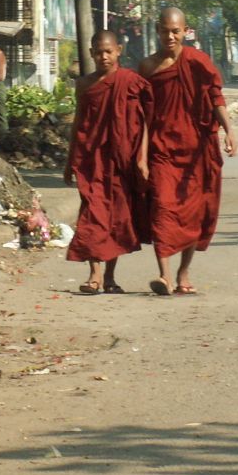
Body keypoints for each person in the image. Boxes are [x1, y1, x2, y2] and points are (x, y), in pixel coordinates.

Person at [138, 7, 237, 296]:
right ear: (157, 30)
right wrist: (141, 153)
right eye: (165, 30)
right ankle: (164, 275)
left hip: (196, 150)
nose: (170, 36)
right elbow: (142, 115)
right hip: (162, 149)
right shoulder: (147, 67)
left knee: (193, 213)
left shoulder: (198, 62)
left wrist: (229, 130)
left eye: (175, 31)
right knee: (162, 207)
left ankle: (183, 272)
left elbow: (215, 96)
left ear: (185, 31)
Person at [64, 31, 152, 294]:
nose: (103, 56)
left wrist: (142, 156)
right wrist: (70, 160)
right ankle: (94, 274)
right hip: (92, 160)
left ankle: (111, 277)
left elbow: (147, 121)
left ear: (119, 51)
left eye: (108, 51)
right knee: (92, 214)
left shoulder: (131, 81)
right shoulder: (85, 85)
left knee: (117, 218)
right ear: (91, 53)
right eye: (98, 52)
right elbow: (78, 123)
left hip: (121, 160)